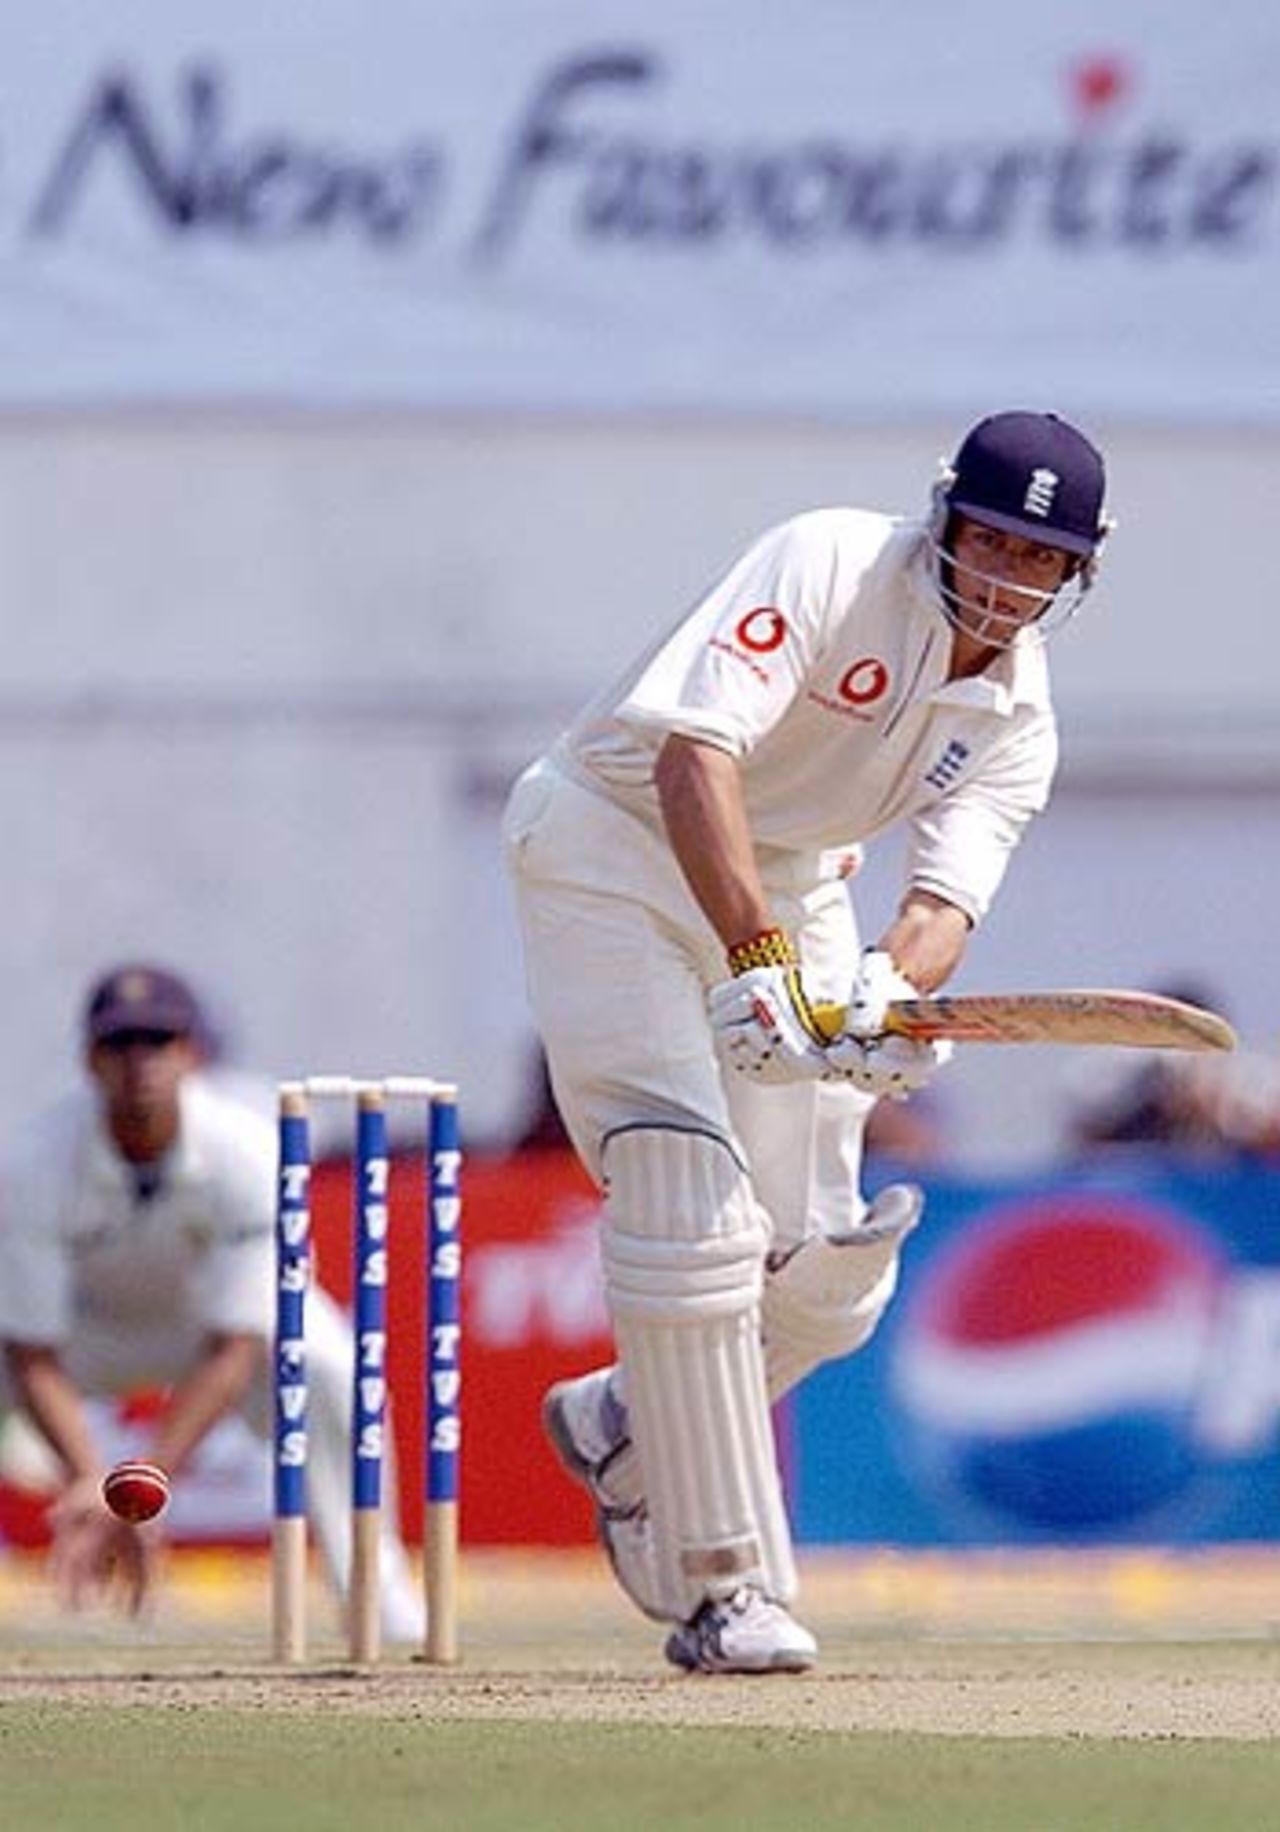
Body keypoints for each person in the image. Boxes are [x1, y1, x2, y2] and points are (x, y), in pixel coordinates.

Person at [502, 410, 1111, 1672]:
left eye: (1037, 559)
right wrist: (758, 961)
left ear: (1073, 573)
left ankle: (626, 1424)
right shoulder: (827, 560)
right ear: (942, 519)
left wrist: (884, 994)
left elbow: (942, 903)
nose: (1004, 579)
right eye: (987, 541)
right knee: (688, 1204)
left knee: (829, 1268)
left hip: (799, 885)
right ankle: (723, 1589)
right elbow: (693, 754)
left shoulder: (1017, 721)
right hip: (610, 842)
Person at [0, 963, 422, 1640]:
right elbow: (31, 1353)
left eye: (157, 1042)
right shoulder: (33, 1161)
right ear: (90, 1060)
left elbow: (236, 1347)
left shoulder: (249, 1150)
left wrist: (141, 1488)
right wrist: (90, 1480)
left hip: (206, 1330)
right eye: (120, 1045)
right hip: (87, 1336)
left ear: (192, 1054)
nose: (140, 1064)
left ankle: (378, 1599)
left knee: (328, 1364)